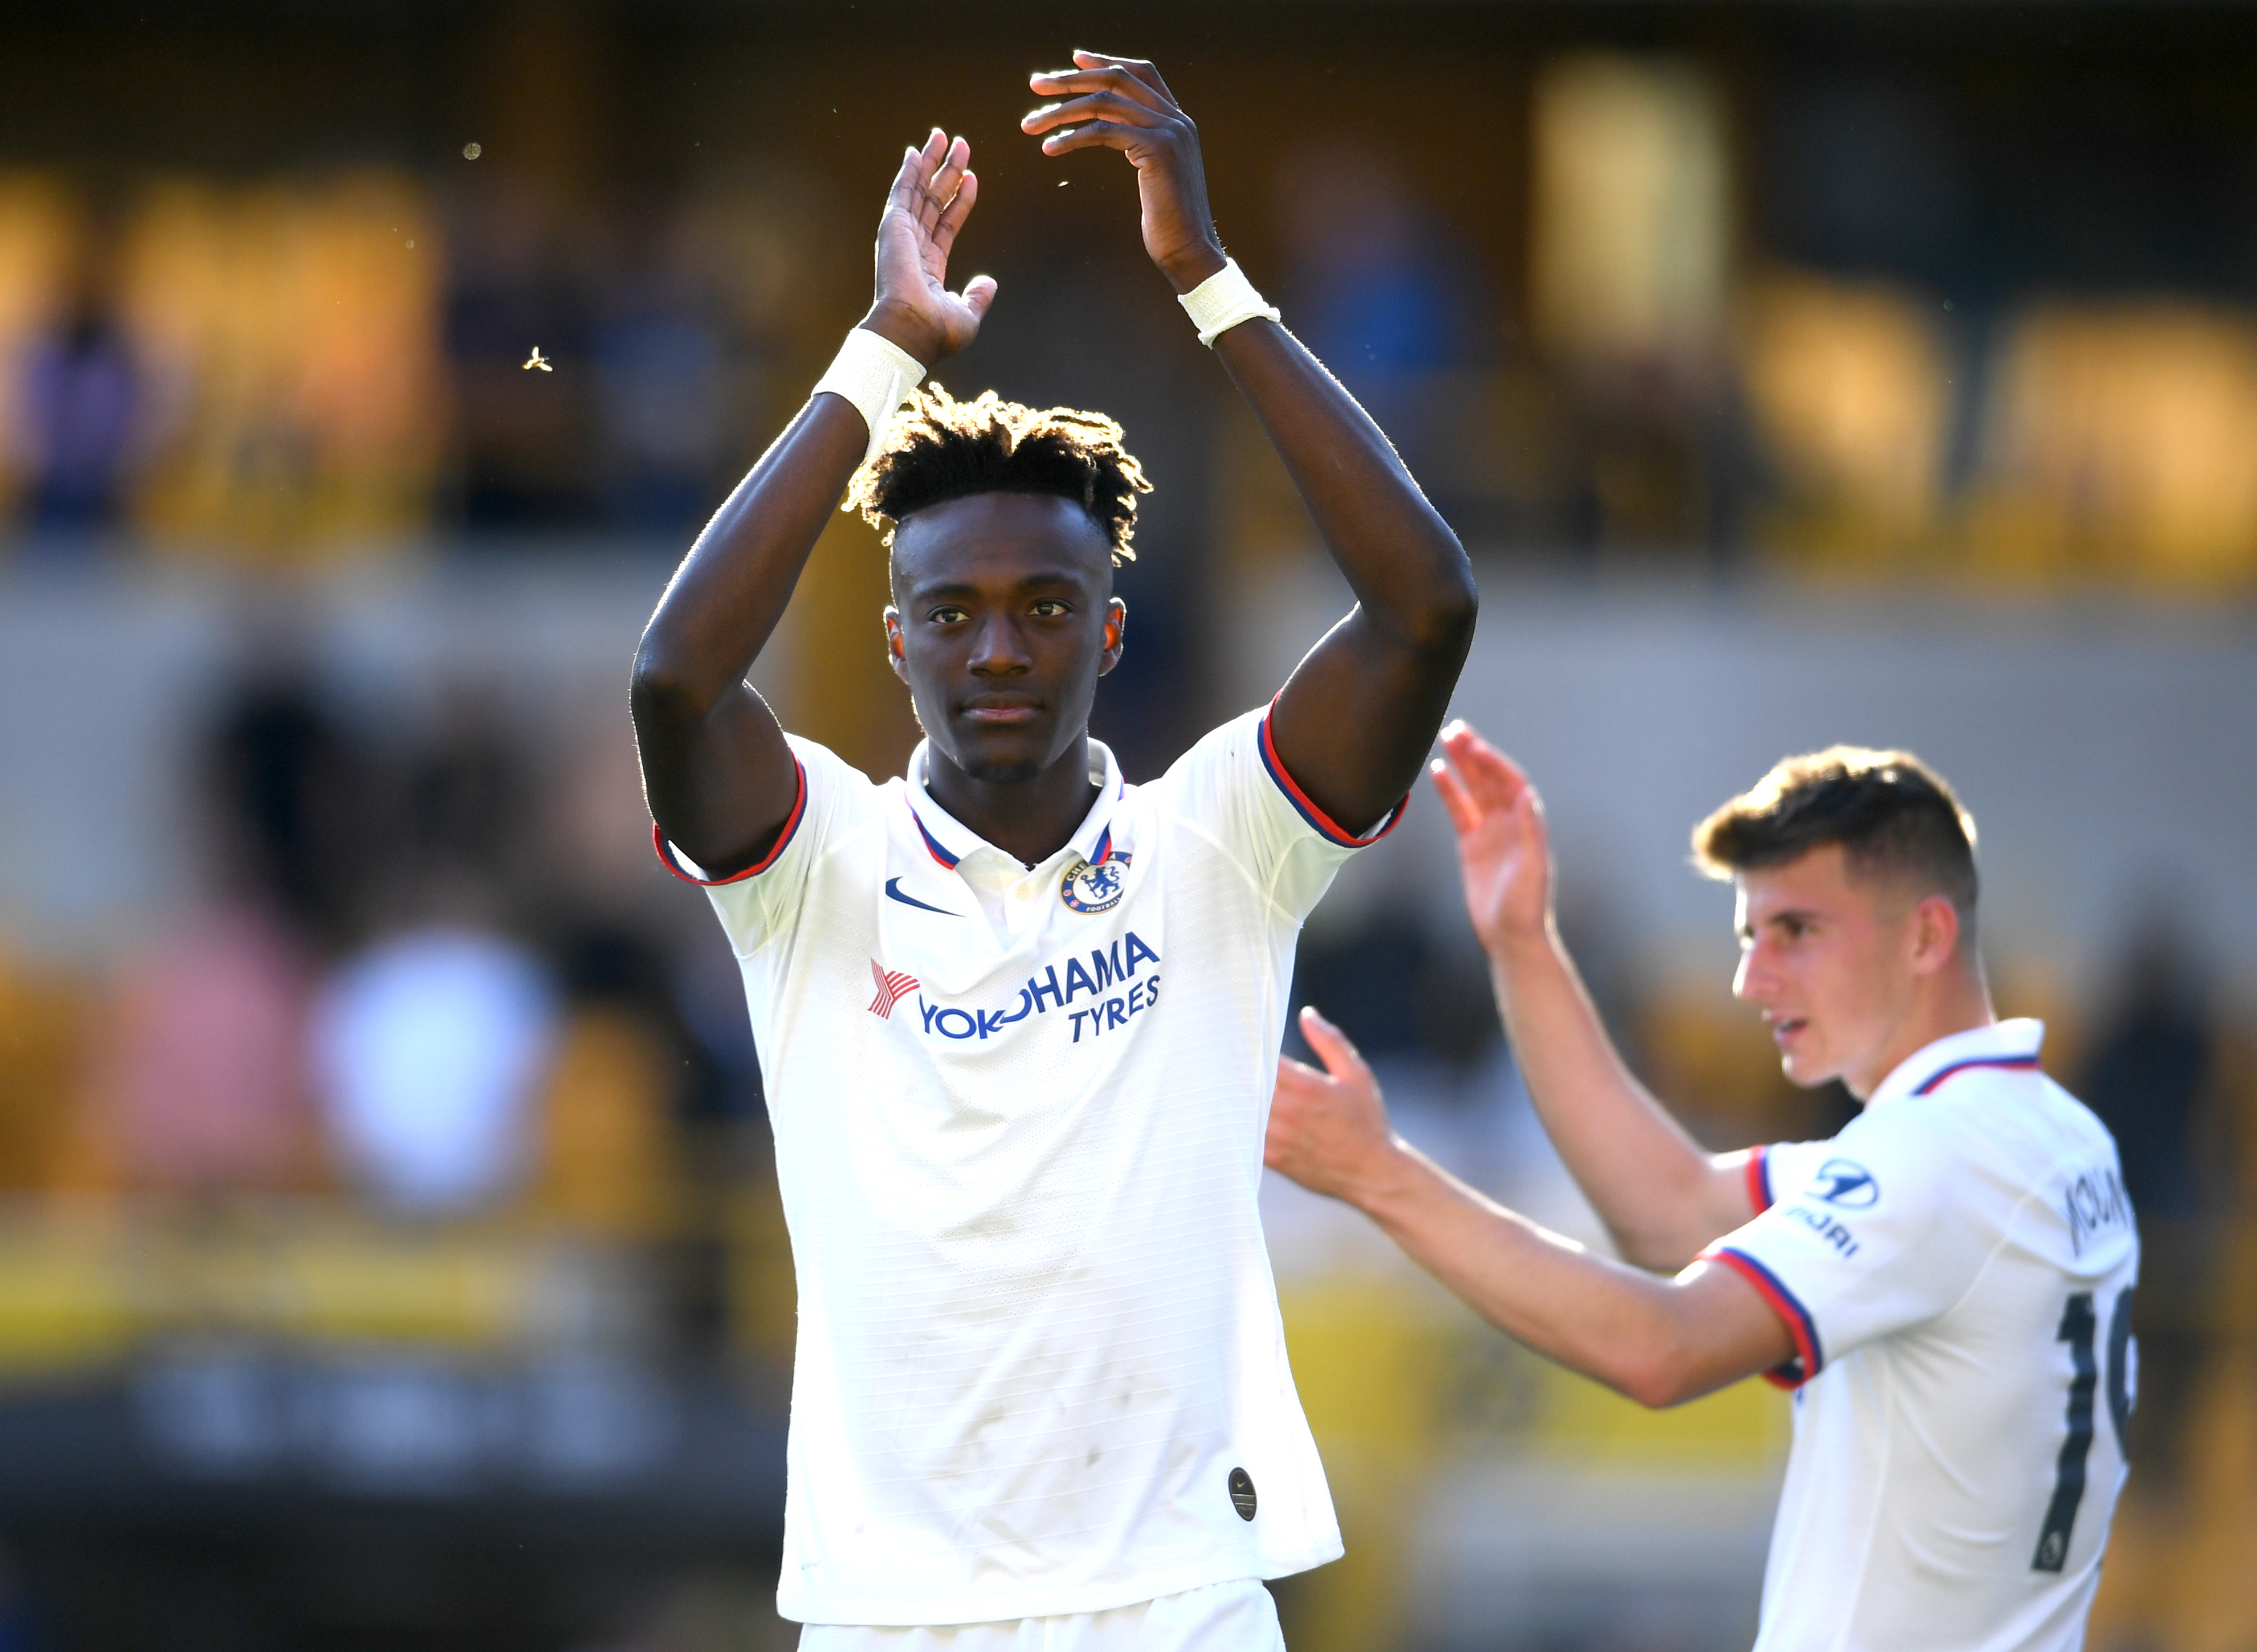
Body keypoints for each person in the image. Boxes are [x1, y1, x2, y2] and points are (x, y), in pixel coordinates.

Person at [629, 51, 1475, 1650]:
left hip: (1175, 1601)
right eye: (950, 613)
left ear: (1111, 628)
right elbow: (675, 678)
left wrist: (1206, 276)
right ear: (894, 642)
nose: (997, 649)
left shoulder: (1217, 843)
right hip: (892, 1615)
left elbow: (1425, 604)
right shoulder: (815, 868)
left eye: (1043, 608)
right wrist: (882, 346)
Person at [1267, 725, 2137, 1652]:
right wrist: (1522, 940)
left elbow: (1661, 1347)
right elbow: (1670, 1210)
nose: (1750, 980)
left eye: (1796, 932)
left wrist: (1378, 1176)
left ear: (1925, 934)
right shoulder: (2044, 1134)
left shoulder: (1934, 1157)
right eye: (1747, 935)